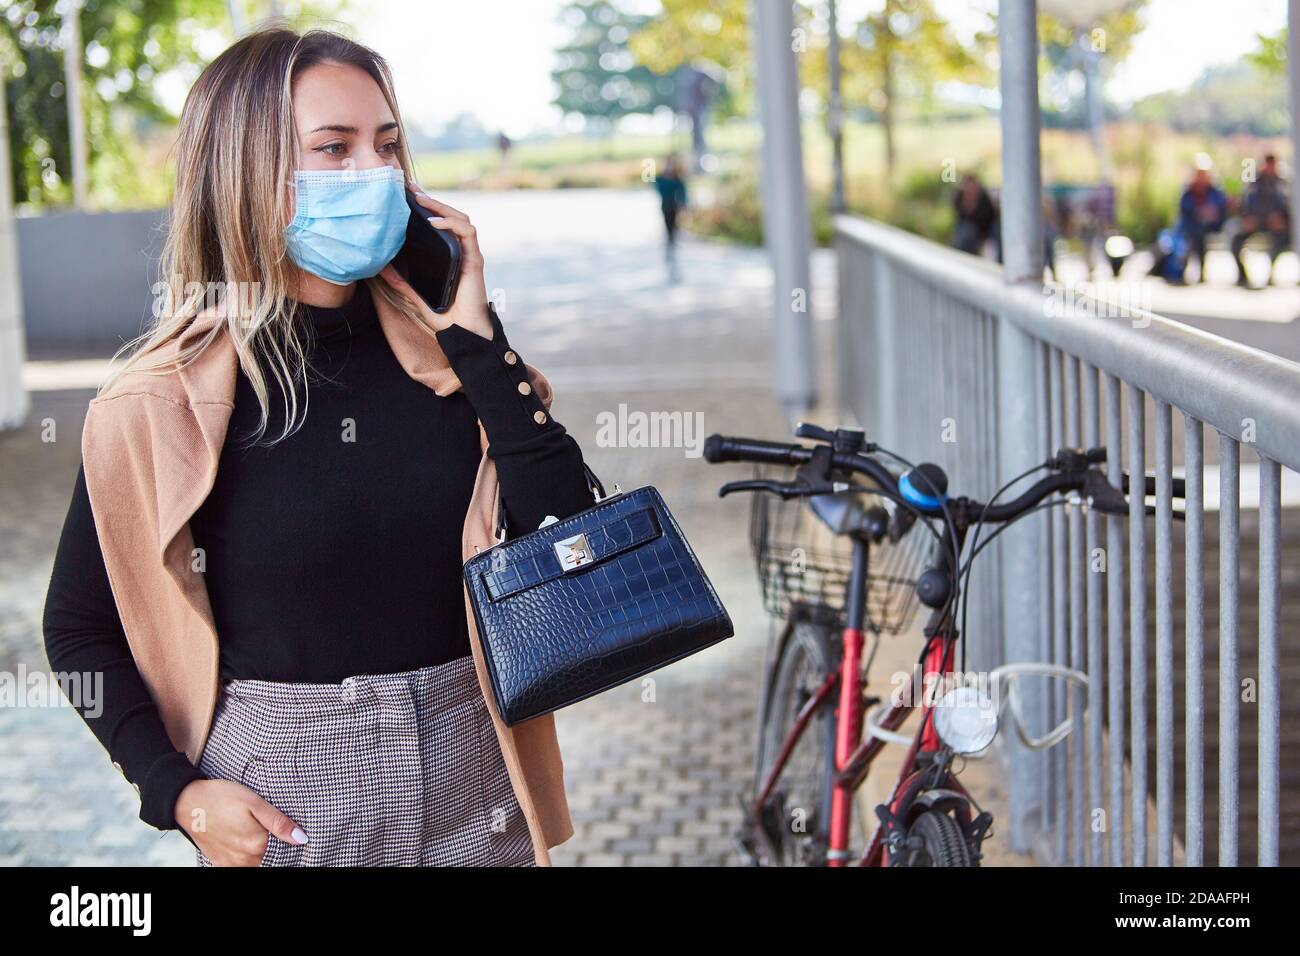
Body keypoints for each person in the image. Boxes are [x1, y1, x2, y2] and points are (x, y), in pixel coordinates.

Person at [42, 28, 598, 867]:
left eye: (387, 145)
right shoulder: (162, 402)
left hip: (475, 772)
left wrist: (479, 337)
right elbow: (80, 626)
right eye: (332, 149)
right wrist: (180, 795)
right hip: (291, 797)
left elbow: (566, 535)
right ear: (245, 170)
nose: (372, 174)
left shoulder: (450, 355)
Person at [1159, 162, 1228, 284]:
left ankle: (1200, 271)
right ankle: (1181, 271)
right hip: (1191, 226)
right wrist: (1198, 212)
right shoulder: (1188, 190)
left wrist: (1212, 213)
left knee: (1200, 235)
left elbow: (1222, 207)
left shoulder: (1215, 191)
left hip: (1211, 226)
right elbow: (1184, 209)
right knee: (1189, 238)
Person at [1231, 154, 1290, 288]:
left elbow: (1290, 204)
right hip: (1255, 222)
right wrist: (1247, 217)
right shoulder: (1253, 181)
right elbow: (1244, 202)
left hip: (1276, 225)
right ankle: (1242, 276)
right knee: (1236, 238)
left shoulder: (1283, 182)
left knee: (1284, 239)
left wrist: (1283, 218)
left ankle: (1271, 275)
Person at [951, 174, 997, 258]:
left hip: (984, 229)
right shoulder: (960, 197)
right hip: (968, 231)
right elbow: (960, 216)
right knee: (965, 231)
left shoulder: (984, 199)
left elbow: (989, 217)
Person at [654, 154, 688, 261]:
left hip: (674, 203)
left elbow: (682, 191)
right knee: (667, 221)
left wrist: (683, 204)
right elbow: (657, 187)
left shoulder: (677, 178)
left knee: (673, 222)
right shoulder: (660, 178)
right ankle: (669, 239)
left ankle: (672, 239)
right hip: (665, 203)